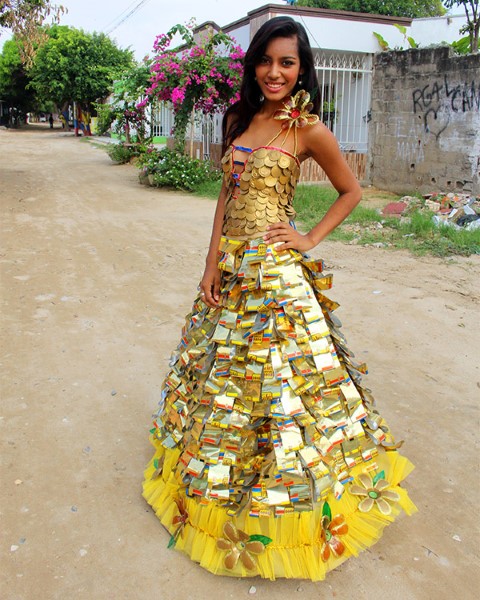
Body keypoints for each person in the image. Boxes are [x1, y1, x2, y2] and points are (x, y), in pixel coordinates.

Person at [143, 16, 416, 581]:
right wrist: (210, 264)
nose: (274, 72)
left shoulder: (308, 129)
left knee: (287, 379)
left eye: (286, 62)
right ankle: (222, 478)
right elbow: (226, 196)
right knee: (224, 382)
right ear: (254, 65)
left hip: (279, 279)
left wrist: (309, 238)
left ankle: (294, 491)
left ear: (301, 68)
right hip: (232, 273)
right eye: (266, 61)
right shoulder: (240, 117)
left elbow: (351, 190)